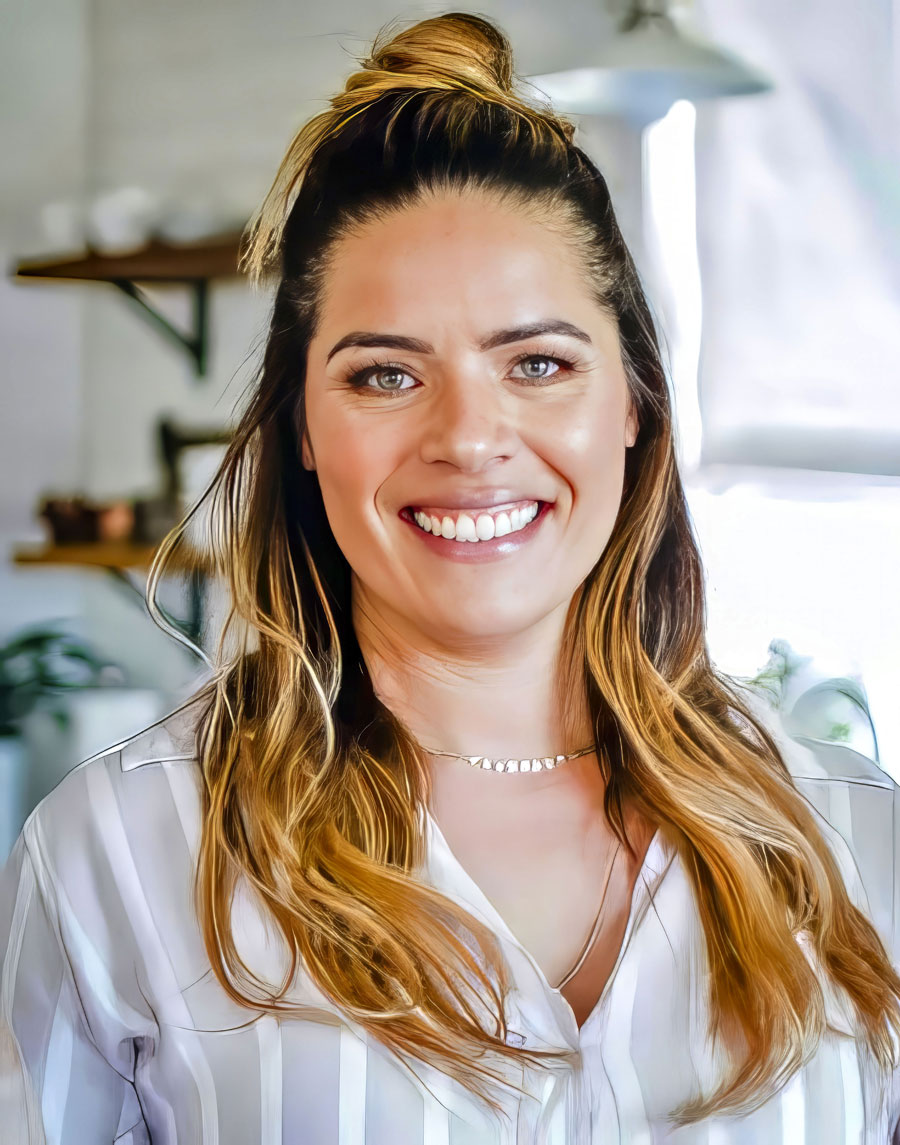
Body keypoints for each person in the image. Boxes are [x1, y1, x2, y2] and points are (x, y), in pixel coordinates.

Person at [2, 11, 899, 1144]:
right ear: (305, 430)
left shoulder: (857, 837)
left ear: (631, 404)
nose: (471, 437)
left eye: (538, 363)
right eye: (385, 374)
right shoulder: (119, 854)